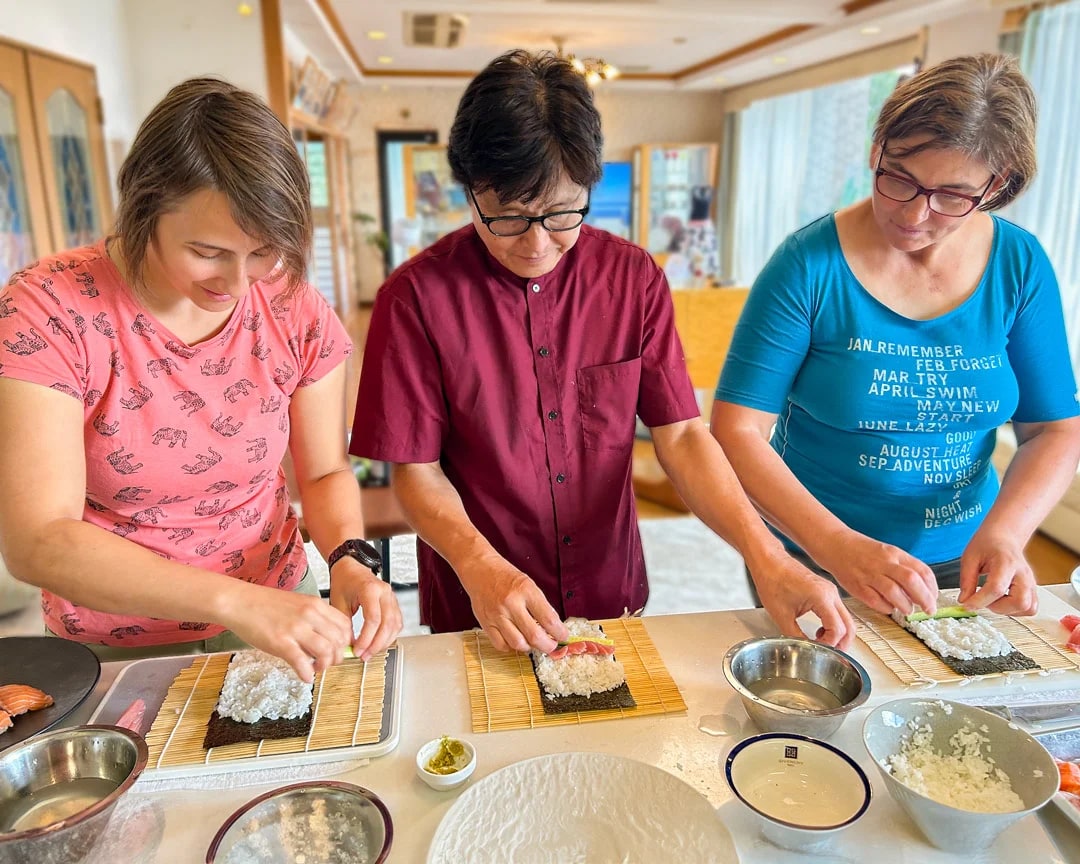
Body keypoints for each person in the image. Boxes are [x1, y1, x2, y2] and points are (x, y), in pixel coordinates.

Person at [350, 49, 857, 654]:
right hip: (480, 601)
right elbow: (415, 471)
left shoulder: (632, 277)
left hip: (609, 584)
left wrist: (766, 555)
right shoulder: (415, 297)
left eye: (561, 213)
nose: (537, 243)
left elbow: (683, 435)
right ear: (469, 192)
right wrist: (478, 564)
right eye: (508, 217)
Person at [0, 78, 402, 681]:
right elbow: (38, 539)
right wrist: (235, 602)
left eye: (264, 252)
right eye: (208, 251)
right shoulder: (49, 310)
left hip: (278, 601)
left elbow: (321, 472)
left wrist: (349, 559)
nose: (240, 285)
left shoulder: (292, 306)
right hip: (121, 635)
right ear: (144, 209)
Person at [713, 54, 1080, 622]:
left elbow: (1054, 430)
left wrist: (1007, 533)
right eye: (899, 179)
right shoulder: (808, 265)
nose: (914, 213)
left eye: (953, 196)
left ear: (996, 186)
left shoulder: (1019, 265)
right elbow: (737, 430)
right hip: (816, 552)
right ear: (876, 149)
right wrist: (833, 544)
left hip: (966, 558)